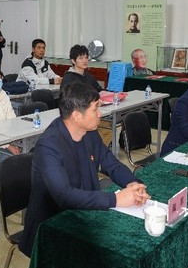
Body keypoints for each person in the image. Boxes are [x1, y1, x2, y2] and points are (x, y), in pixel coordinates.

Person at [19, 82, 151, 257]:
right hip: (51, 227)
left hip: (85, 214)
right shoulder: (48, 146)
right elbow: (65, 196)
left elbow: (111, 163)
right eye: (95, 109)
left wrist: (133, 183)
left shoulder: (89, 132)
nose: (100, 114)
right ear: (76, 116)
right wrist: (116, 199)